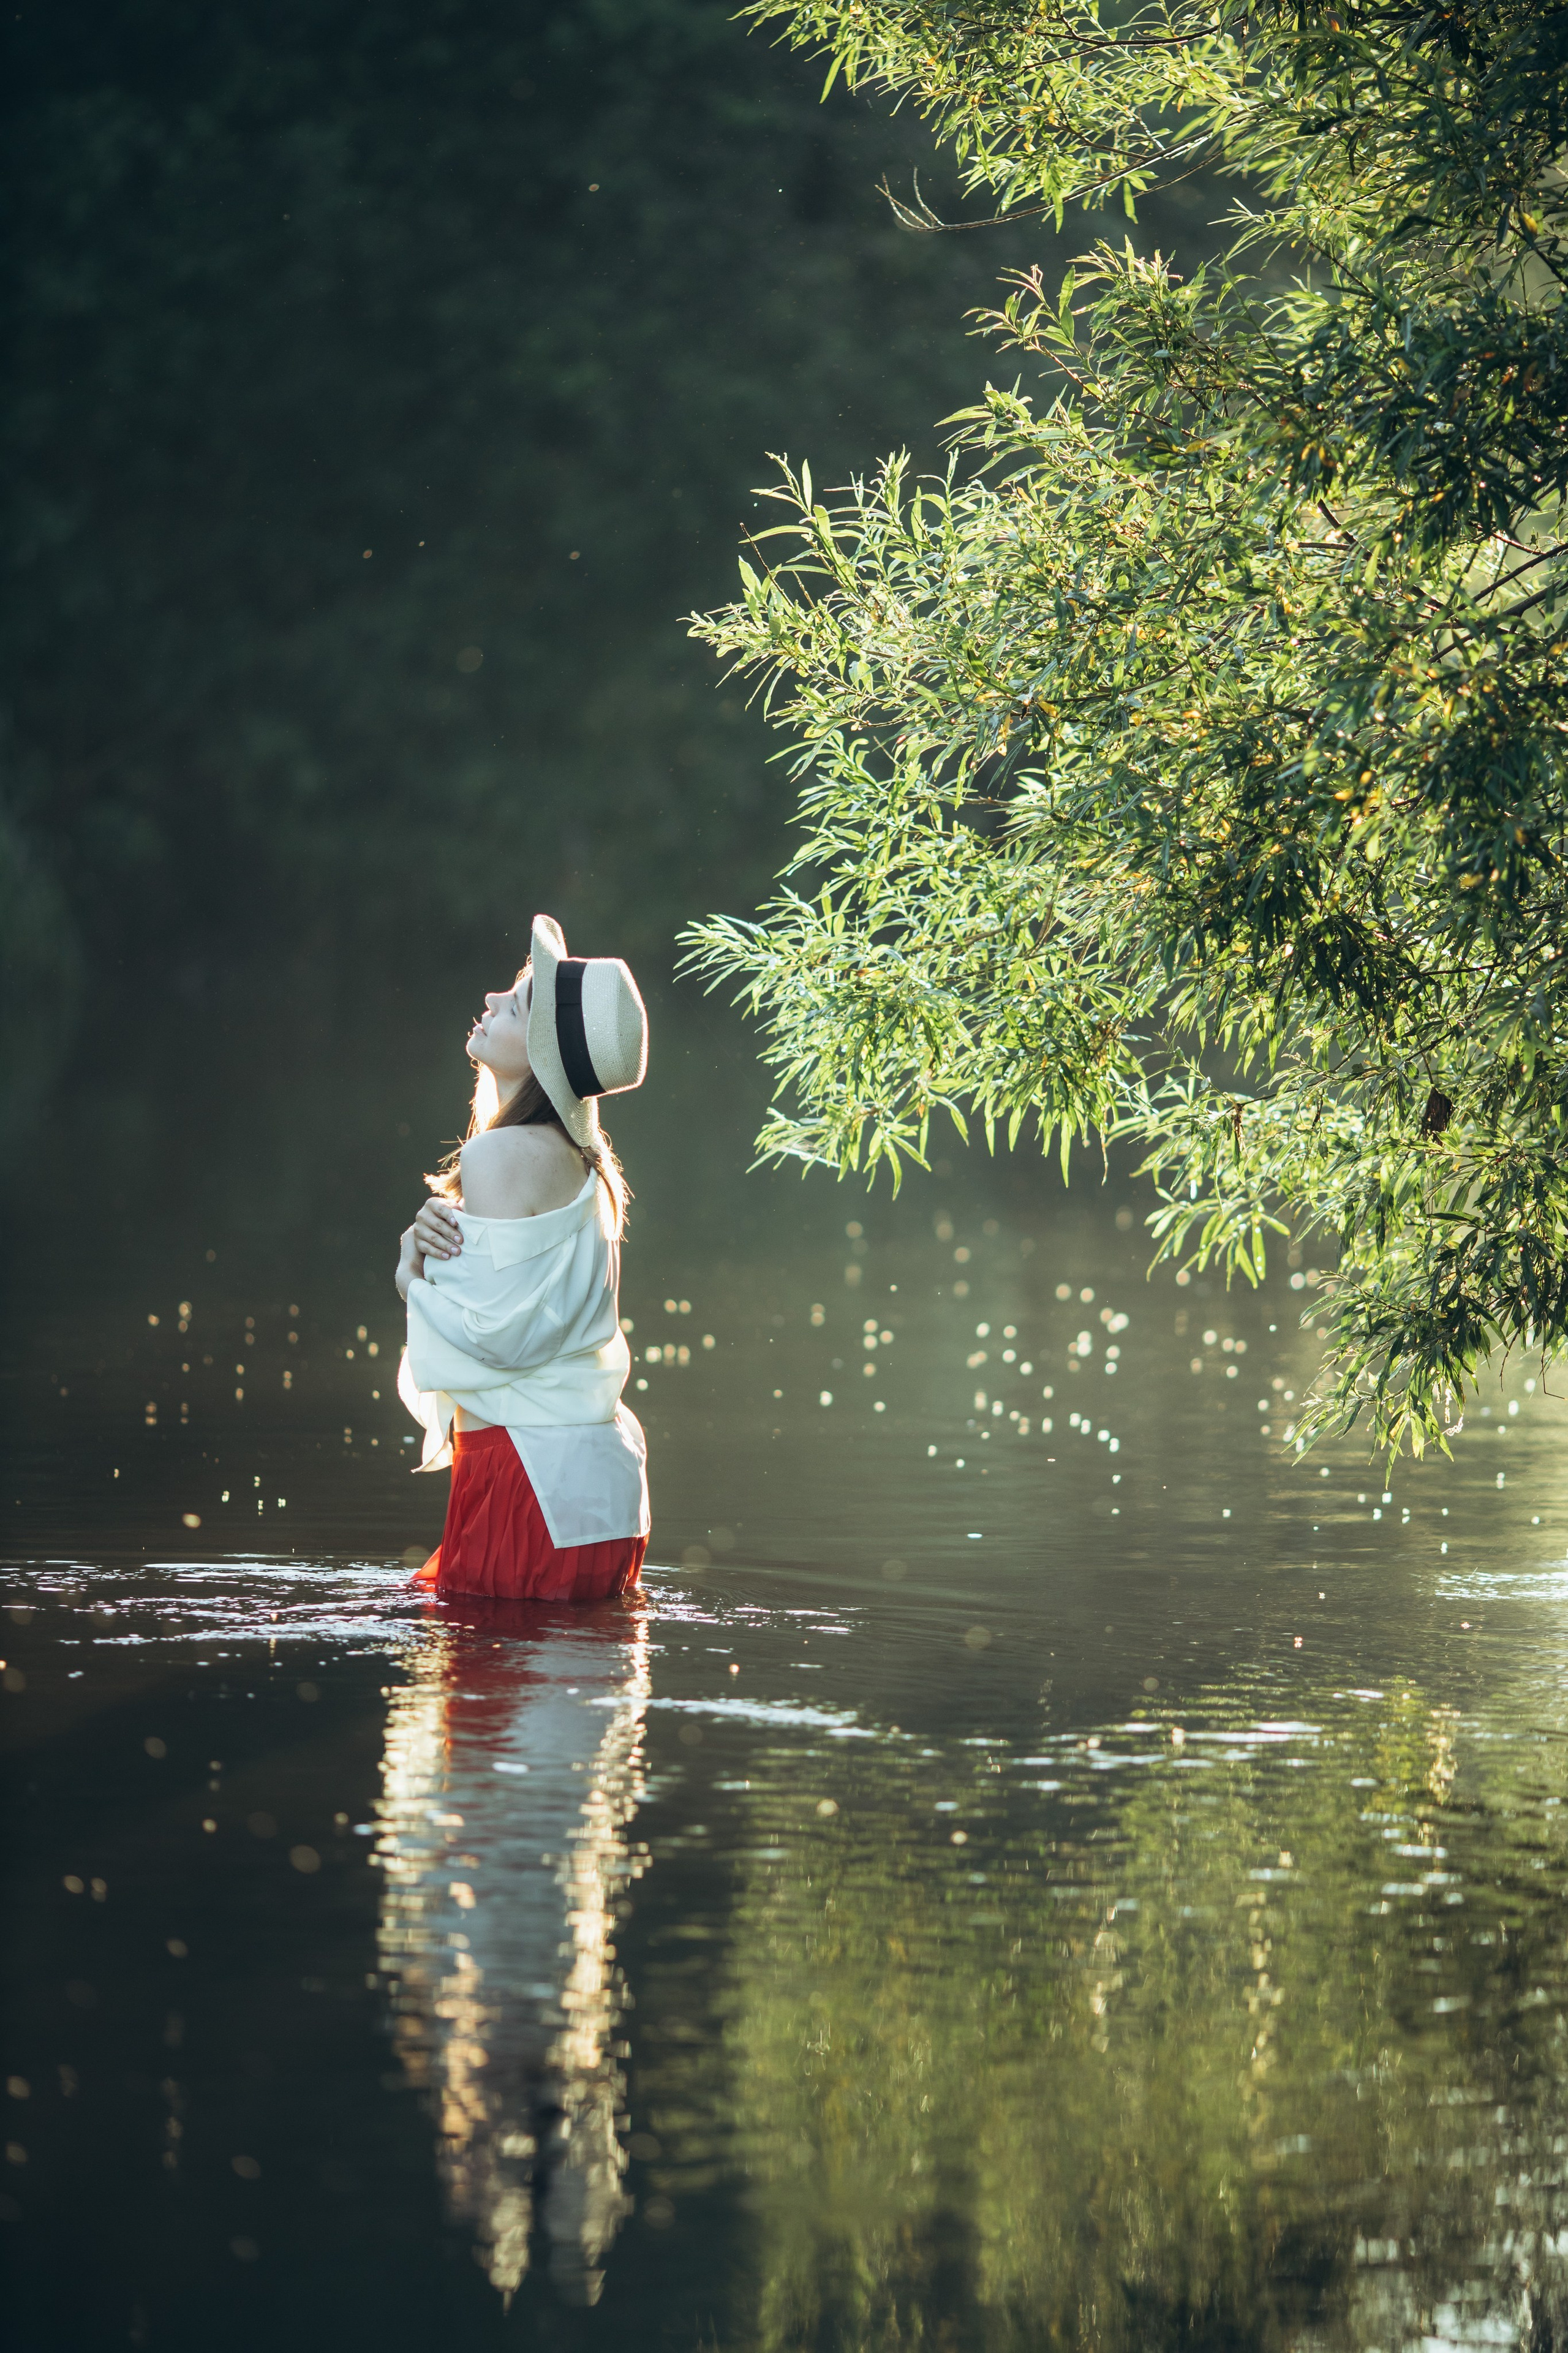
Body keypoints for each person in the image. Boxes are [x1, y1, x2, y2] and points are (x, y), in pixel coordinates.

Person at [394, 913, 650, 1601]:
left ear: (545, 1053)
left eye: (522, 1002)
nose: (494, 1000)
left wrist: (410, 1282)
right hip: (601, 1490)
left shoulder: (497, 1154)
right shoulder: (590, 1170)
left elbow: (494, 1338)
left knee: (489, 1694)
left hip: (527, 1478)